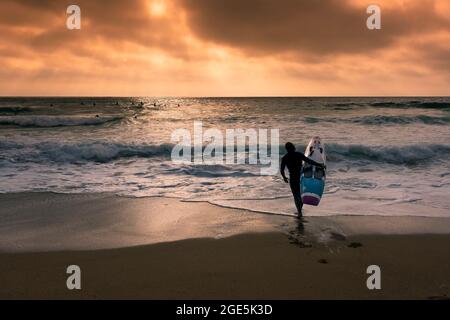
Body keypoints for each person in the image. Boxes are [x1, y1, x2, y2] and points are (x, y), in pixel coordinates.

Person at [280, 142, 326, 215]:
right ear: (293, 147)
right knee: (300, 195)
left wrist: (284, 177)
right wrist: (319, 165)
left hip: (293, 178)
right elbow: (309, 161)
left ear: (286, 149)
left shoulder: (285, 158)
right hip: (301, 177)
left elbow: (282, 170)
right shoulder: (298, 154)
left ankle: (299, 211)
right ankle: (299, 211)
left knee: (296, 195)